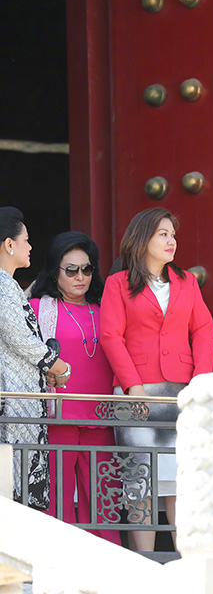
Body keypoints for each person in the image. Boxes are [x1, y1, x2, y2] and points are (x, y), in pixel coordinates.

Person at [100, 207, 213, 552]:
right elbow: (110, 336)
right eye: (163, 234)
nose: (171, 241)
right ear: (142, 238)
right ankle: (144, 561)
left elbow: (204, 328)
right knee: (140, 480)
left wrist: (201, 382)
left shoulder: (187, 281)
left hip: (182, 391)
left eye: (173, 235)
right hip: (137, 392)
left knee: (181, 481)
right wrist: (132, 386)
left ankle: (186, 562)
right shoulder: (117, 283)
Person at [28, 232, 119, 543]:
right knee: (57, 505)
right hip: (58, 417)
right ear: (55, 272)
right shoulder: (38, 308)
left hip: (102, 417)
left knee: (103, 504)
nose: (81, 277)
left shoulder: (108, 306)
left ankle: (108, 577)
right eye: (71, 270)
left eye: (87, 269)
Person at [0, 207, 70, 509]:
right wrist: (59, 366)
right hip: (12, 405)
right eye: (25, 240)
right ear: (9, 245)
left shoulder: (8, 284)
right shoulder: (2, 284)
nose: (30, 247)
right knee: (13, 494)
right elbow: (20, 338)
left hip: (18, 403)